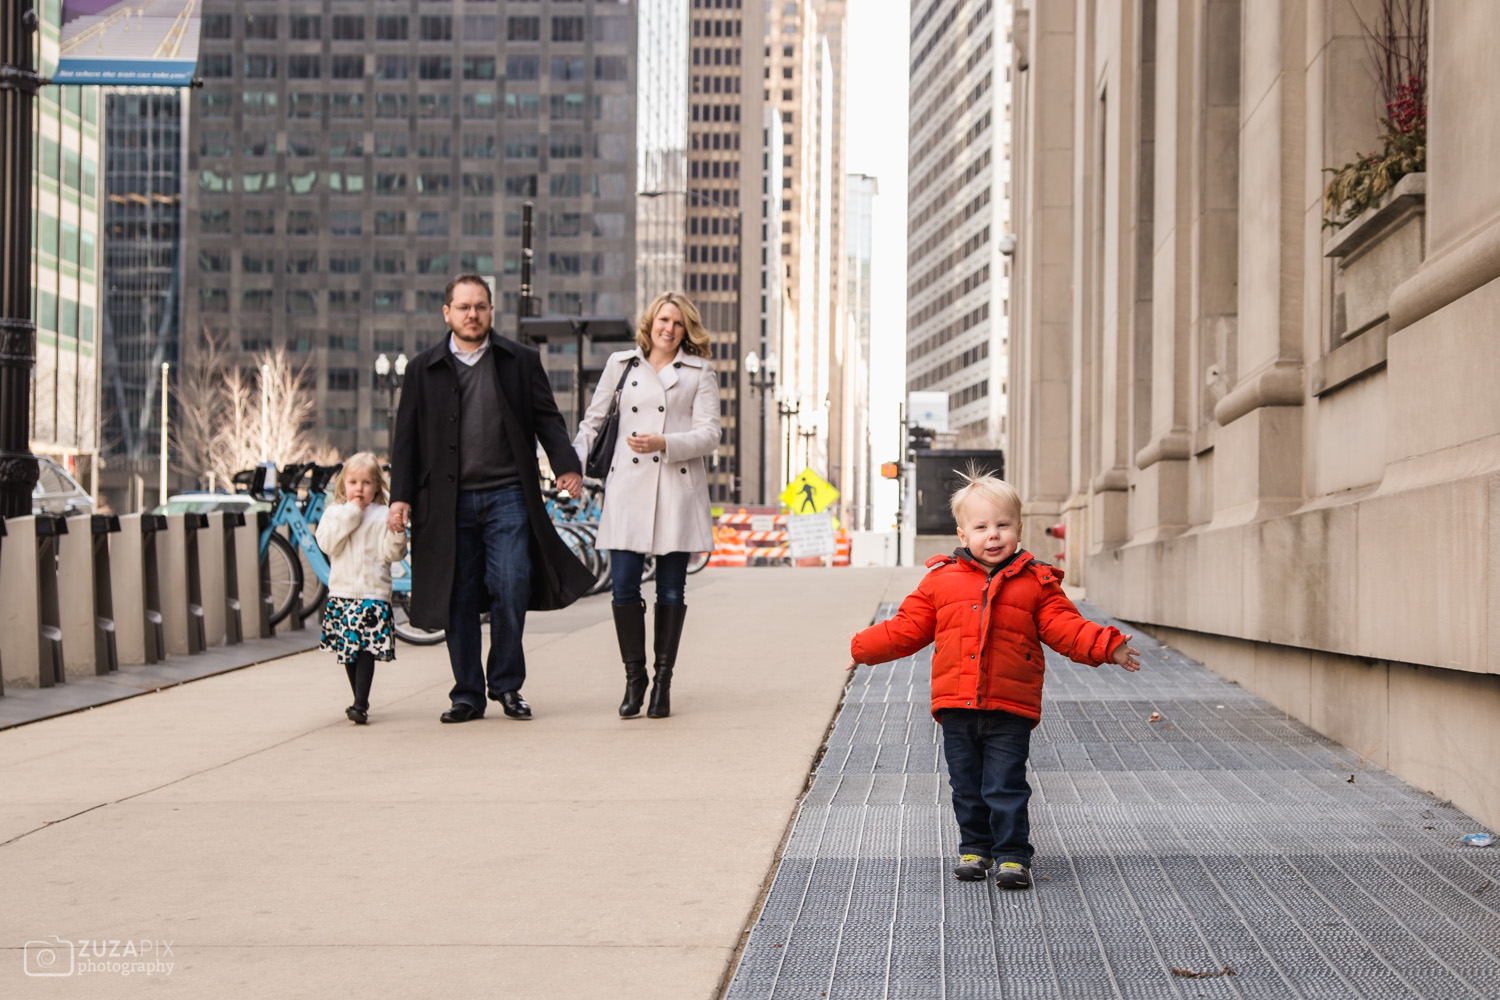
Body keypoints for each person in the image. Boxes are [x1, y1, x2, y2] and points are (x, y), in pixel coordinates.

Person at [847, 471, 1141, 889]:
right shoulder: (940, 581)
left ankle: (1012, 855)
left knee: (1005, 785)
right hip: (956, 706)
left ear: (1018, 529)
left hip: (1009, 706)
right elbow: (908, 627)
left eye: (1003, 525)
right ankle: (974, 848)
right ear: (963, 534)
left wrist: (1107, 645)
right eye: (982, 527)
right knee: (966, 786)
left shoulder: (1037, 583)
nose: (994, 535)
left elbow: (1065, 627)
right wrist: (862, 648)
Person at [388, 274, 595, 724]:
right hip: (446, 503)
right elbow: (405, 439)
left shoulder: (519, 360)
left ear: (490, 311)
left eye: (480, 306)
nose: (472, 314)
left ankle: (505, 684)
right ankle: (467, 694)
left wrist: (566, 465)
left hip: (507, 495)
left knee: (511, 584)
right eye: (463, 307)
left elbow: (547, 417)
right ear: (447, 313)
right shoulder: (423, 369)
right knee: (457, 596)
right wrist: (399, 498)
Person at [573, 292, 720, 719]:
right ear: (649, 323)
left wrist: (664, 443)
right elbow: (593, 422)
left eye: (677, 322)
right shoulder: (622, 365)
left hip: (676, 489)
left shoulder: (699, 372)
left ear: (686, 329)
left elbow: (710, 434)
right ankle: (634, 678)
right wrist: (571, 467)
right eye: (662, 320)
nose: (668, 328)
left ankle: (663, 682)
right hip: (628, 490)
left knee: (672, 590)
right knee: (623, 588)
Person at [314, 453, 409, 725]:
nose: (359, 488)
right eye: (353, 482)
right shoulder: (335, 514)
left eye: (366, 483)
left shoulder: (383, 515)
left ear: (377, 486)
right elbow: (328, 544)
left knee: (365, 648)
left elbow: (393, 553)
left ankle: (360, 702)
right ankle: (358, 697)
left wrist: (398, 531)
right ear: (344, 485)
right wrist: (352, 515)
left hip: (372, 593)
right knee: (348, 649)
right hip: (343, 593)